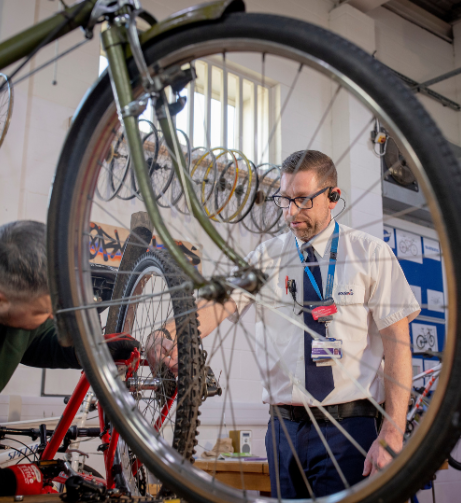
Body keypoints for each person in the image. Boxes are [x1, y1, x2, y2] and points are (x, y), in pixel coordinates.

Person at [149, 150, 420, 498]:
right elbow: (218, 304)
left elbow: (398, 347)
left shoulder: (372, 254)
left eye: (303, 200)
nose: (291, 212)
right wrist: (167, 334)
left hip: (350, 428)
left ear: (333, 197)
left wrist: (393, 431)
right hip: (283, 432)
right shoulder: (266, 257)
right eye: (284, 199)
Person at [0, 221, 138, 499]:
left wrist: (81, 350)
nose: (53, 319)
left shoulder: (3, 257)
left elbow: (30, 335)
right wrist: (2, 481)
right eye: (45, 311)